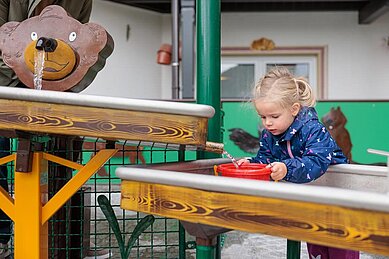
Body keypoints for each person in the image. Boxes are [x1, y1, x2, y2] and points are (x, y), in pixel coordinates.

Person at [0, 1, 92, 258]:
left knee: (60, 160)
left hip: (53, 88)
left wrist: (67, 77)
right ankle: (2, 237)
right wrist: (20, 65)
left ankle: (56, 240)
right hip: (6, 81)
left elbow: (82, 41)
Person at [237, 66, 359, 259]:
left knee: (339, 245)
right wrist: (252, 164)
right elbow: (266, 159)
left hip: (338, 200)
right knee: (316, 244)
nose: (267, 123)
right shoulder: (270, 135)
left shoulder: (313, 130)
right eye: (263, 117)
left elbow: (316, 161)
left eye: (274, 116)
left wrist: (286, 168)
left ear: (294, 109)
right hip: (312, 199)